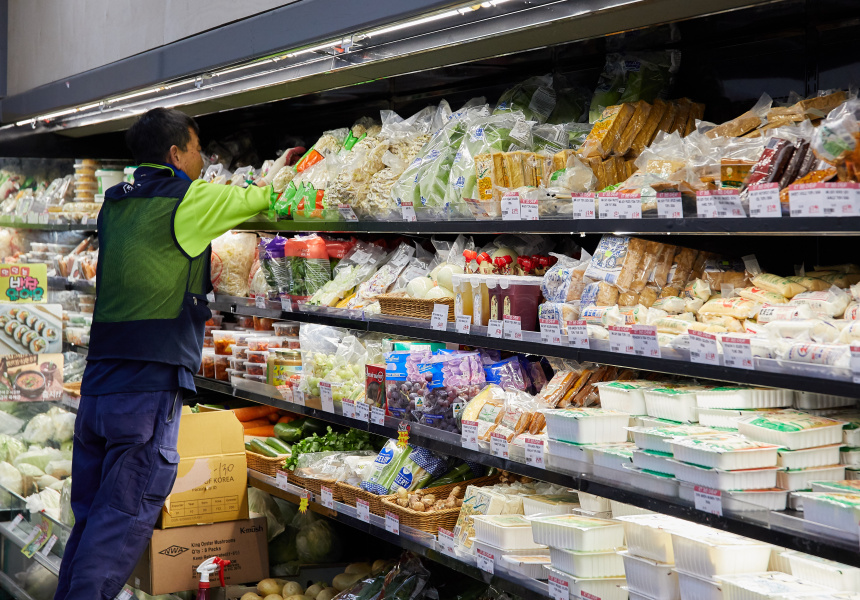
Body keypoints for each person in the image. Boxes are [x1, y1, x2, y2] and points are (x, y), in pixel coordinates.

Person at [55, 108, 301, 600]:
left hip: (99, 389)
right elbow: (267, 197)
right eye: (196, 149)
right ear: (175, 154)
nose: (202, 159)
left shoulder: (116, 203)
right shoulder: (187, 200)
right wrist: (287, 167)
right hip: (144, 395)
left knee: (91, 526)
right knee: (118, 527)